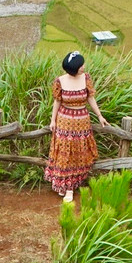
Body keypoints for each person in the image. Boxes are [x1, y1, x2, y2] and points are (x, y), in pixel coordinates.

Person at [45, 50, 107, 203]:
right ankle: (66, 187)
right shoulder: (60, 81)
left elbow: (91, 98)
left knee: (78, 154)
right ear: (73, 68)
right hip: (65, 122)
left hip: (82, 121)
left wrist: (99, 116)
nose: (83, 67)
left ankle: (71, 186)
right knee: (66, 154)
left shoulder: (86, 78)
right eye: (80, 65)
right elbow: (57, 102)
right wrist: (52, 120)